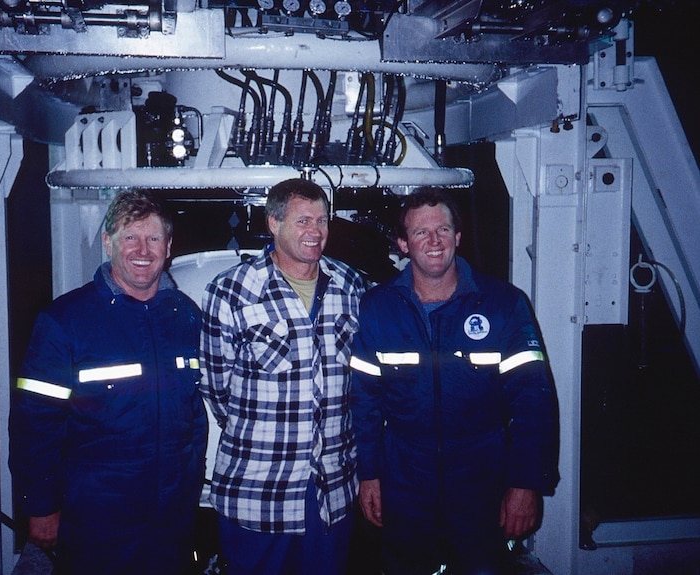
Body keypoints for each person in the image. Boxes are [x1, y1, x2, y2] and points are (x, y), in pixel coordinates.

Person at [349, 187, 559, 575]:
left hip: (482, 485)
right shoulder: (377, 308)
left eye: (443, 230)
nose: (433, 242)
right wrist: (370, 475)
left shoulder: (504, 305)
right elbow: (364, 404)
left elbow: (534, 403)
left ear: (457, 237)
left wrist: (526, 483)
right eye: (420, 233)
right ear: (402, 244)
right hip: (405, 484)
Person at [9, 190, 207, 575]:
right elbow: (34, 424)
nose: (142, 250)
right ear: (107, 242)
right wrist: (41, 506)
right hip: (97, 519)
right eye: (130, 237)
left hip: (172, 519)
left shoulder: (185, 317)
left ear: (168, 247)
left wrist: (190, 481)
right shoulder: (65, 321)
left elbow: (195, 413)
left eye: (153, 239)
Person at [200, 178, 366, 575]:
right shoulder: (230, 292)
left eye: (322, 220)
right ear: (273, 223)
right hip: (259, 488)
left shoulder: (351, 286)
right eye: (303, 221)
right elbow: (215, 386)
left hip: (331, 490)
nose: (316, 232)